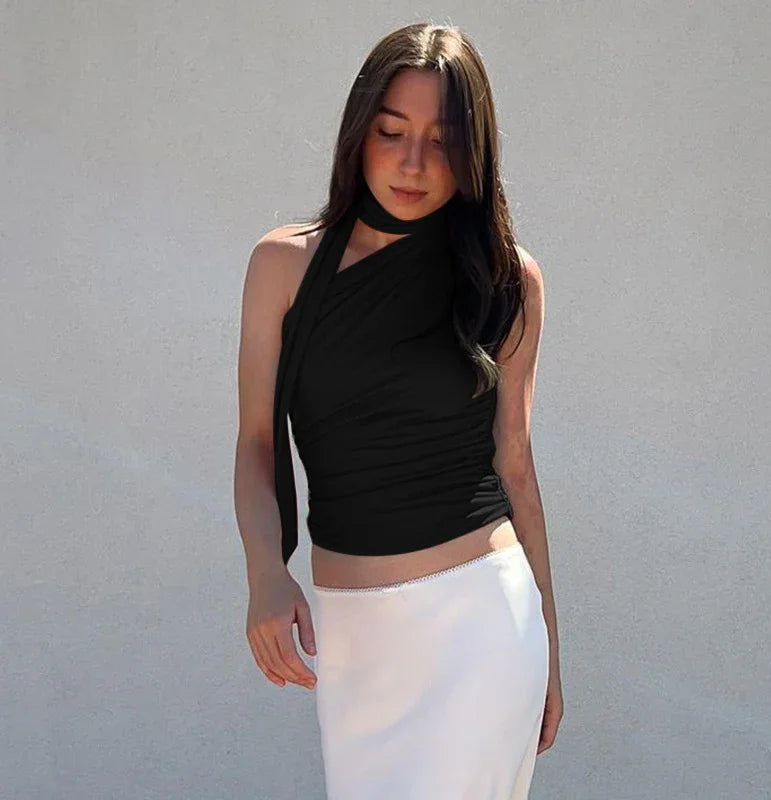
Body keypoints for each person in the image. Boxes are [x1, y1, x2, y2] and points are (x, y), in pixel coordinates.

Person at [234, 21, 563, 799]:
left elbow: (514, 462)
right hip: (355, 645)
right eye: (391, 132)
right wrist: (263, 574)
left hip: (481, 624)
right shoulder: (285, 266)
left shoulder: (509, 280)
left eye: (442, 141)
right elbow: (255, 443)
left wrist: (552, 646)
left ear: (474, 154)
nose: (412, 163)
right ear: (359, 133)